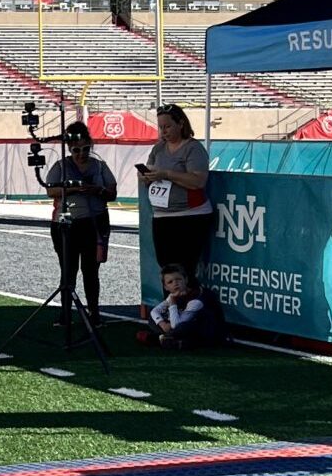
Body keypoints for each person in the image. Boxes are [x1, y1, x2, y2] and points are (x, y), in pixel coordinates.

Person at [43, 122, 118, 330]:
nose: (81, 154)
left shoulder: (99, 166)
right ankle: (66, 313)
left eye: (85, 149)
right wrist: (72, 188)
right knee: (68, 271)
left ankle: (94, 313)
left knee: (91, 270)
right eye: (76, 150)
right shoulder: (61, 166)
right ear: (70, 149)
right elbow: (51, 190)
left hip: (94, 223)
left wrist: (96, 189)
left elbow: (112, 192)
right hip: (66, 224)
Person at [138, 103, 213, 275]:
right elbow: (147, 171)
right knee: (166, 267)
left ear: (181, 124)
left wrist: (166, 174)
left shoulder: (193, 148)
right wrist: (145, 176)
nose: (163, 131)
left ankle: (187, 302)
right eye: (161, 127)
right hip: (162, 216)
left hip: (190, 215)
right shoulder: (158, 148)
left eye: (168, 126)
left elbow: (198, 181)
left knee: (184, 269)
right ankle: (171, 301)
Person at [136, 264, 222, 351]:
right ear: (165, 287)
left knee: (182, 328)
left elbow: (176, 325)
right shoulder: (174, 295)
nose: (175, 283)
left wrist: (173, 303)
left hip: (199, 329)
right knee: (152, 318)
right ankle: (171, 340)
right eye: (170, 282)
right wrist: (163, 324)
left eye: (179, 279)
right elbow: (155, 311)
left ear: (186, 280)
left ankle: (159, 339)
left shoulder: (196, 300)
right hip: (178, 323)